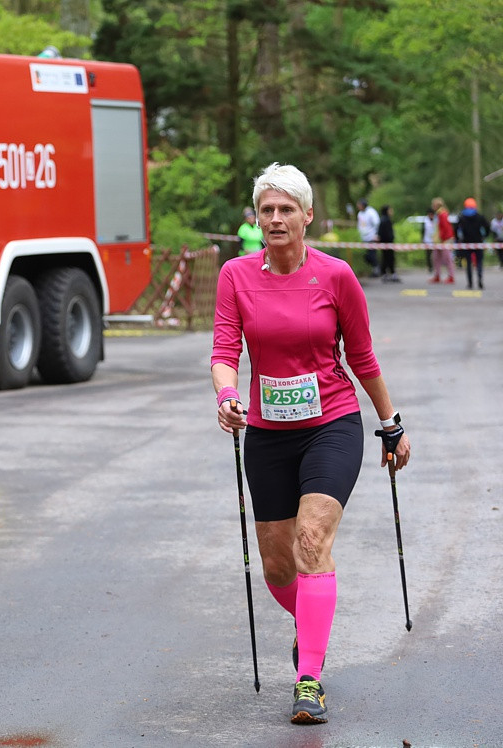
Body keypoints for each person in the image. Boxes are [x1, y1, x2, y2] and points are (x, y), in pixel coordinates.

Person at [211, 163, 411, 726]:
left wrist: (390, 422)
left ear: (307, 216)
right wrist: (226, 396)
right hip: (268, 434)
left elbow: (363, 357)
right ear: (257, 218)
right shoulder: (235, 276)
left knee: (310, 540)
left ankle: (310, 678)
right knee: (278, 567)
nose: (276, 219)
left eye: (286, 209)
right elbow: (226, 352)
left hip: (333, 423)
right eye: (267, 210)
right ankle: (311, 630)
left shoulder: (336, 276)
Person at [456, 197, 490, 290]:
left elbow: (456, 228)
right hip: (478, 242)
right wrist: (485, 236)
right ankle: (480, 281)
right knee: (479, 262)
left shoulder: (462, 217)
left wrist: (458, 239)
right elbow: (487, 227)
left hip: (466, 242)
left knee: (468, 264)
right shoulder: (479, 216)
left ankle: (470, 283)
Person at [430, 197, 456, 284]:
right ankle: (437, 275)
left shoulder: (442, 214)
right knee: (436, 258)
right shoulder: (438, 214)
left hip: (444, 240)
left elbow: (445, 228)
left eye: (433, 205)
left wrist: (442, 239)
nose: (432, 206)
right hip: (439, 240)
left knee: (447, 259)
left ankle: (451, 276)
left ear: (437, 205)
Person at [356, 198, 381, 277]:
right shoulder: (360, 213)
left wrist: (376, 235)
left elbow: (377, 223)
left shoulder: (371, 212)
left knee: (371, 255)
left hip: (372, 237)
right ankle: (374, 269)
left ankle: (376, 269)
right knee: (366, 256)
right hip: (364, 237)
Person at [376, 204, 399, 282]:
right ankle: (391, 273)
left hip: (385, 243)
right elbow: (387, 233)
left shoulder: (383, 219)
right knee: (389, 258)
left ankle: (385, 273)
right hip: (388, 243)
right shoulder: (386, 220)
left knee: (385, 258)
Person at [421, 207, 436, 273]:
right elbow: (423, 230)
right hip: (427, 240)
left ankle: (435, 266)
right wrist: (422, 239)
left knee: (435, 254)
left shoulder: (436, 220)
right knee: (428, 255)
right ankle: (430, 267)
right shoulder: (425, 220)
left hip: (434, 240)